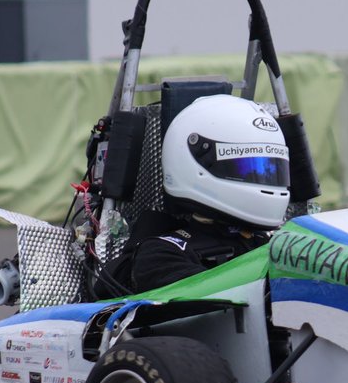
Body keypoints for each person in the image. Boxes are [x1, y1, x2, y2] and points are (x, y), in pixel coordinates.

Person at [120, 94, 292, 293]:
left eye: (272, 168)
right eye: (248, 168)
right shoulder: (159, 254)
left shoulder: (270, 244)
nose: (264, 177)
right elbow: (222, 300)